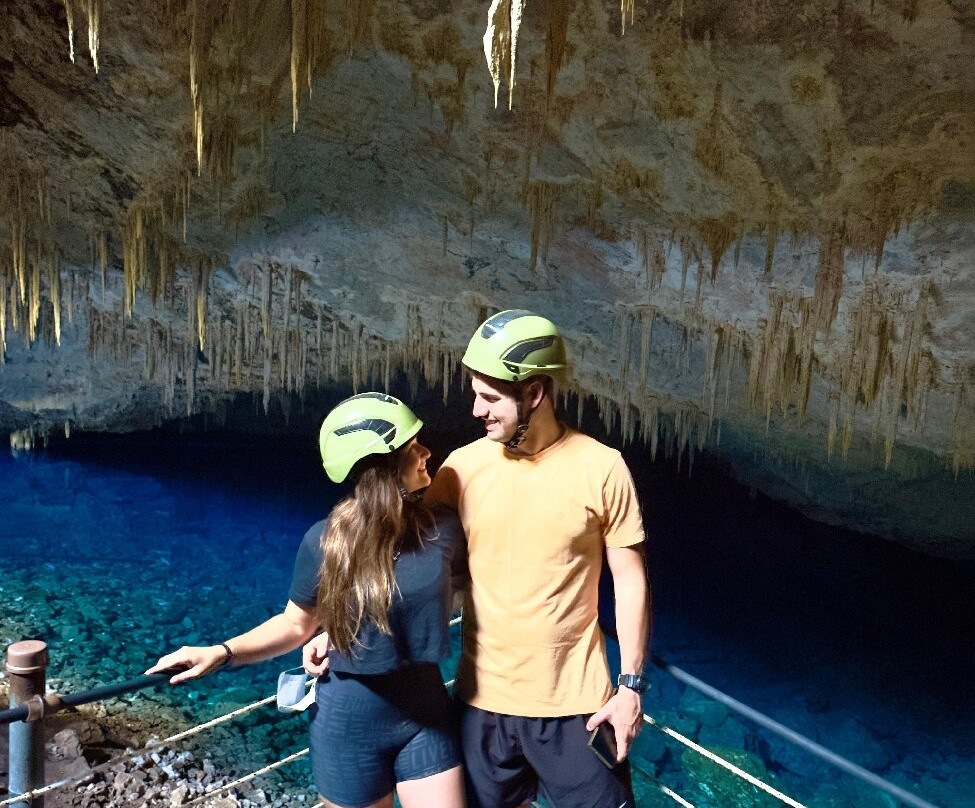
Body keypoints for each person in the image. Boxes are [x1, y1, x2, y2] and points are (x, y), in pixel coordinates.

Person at [147, 393, 468, 808]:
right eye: (412, 449)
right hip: (348, 725)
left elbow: (463, 594)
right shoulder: (325, 543)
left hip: (426, 714)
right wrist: (222, 653)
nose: (426, 453)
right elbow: (295, 625)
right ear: (382, 470)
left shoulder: (443, 529)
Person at [424, 309, 651, 808]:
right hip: (480, 705)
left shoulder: (602, 468)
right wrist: (347, 631)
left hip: (578, 710)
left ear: (534, 393)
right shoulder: (459, 470)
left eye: (490, 397)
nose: (476, 410)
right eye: (474, 394)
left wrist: (631, 687)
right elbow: (413, 569)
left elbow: (630, 582)